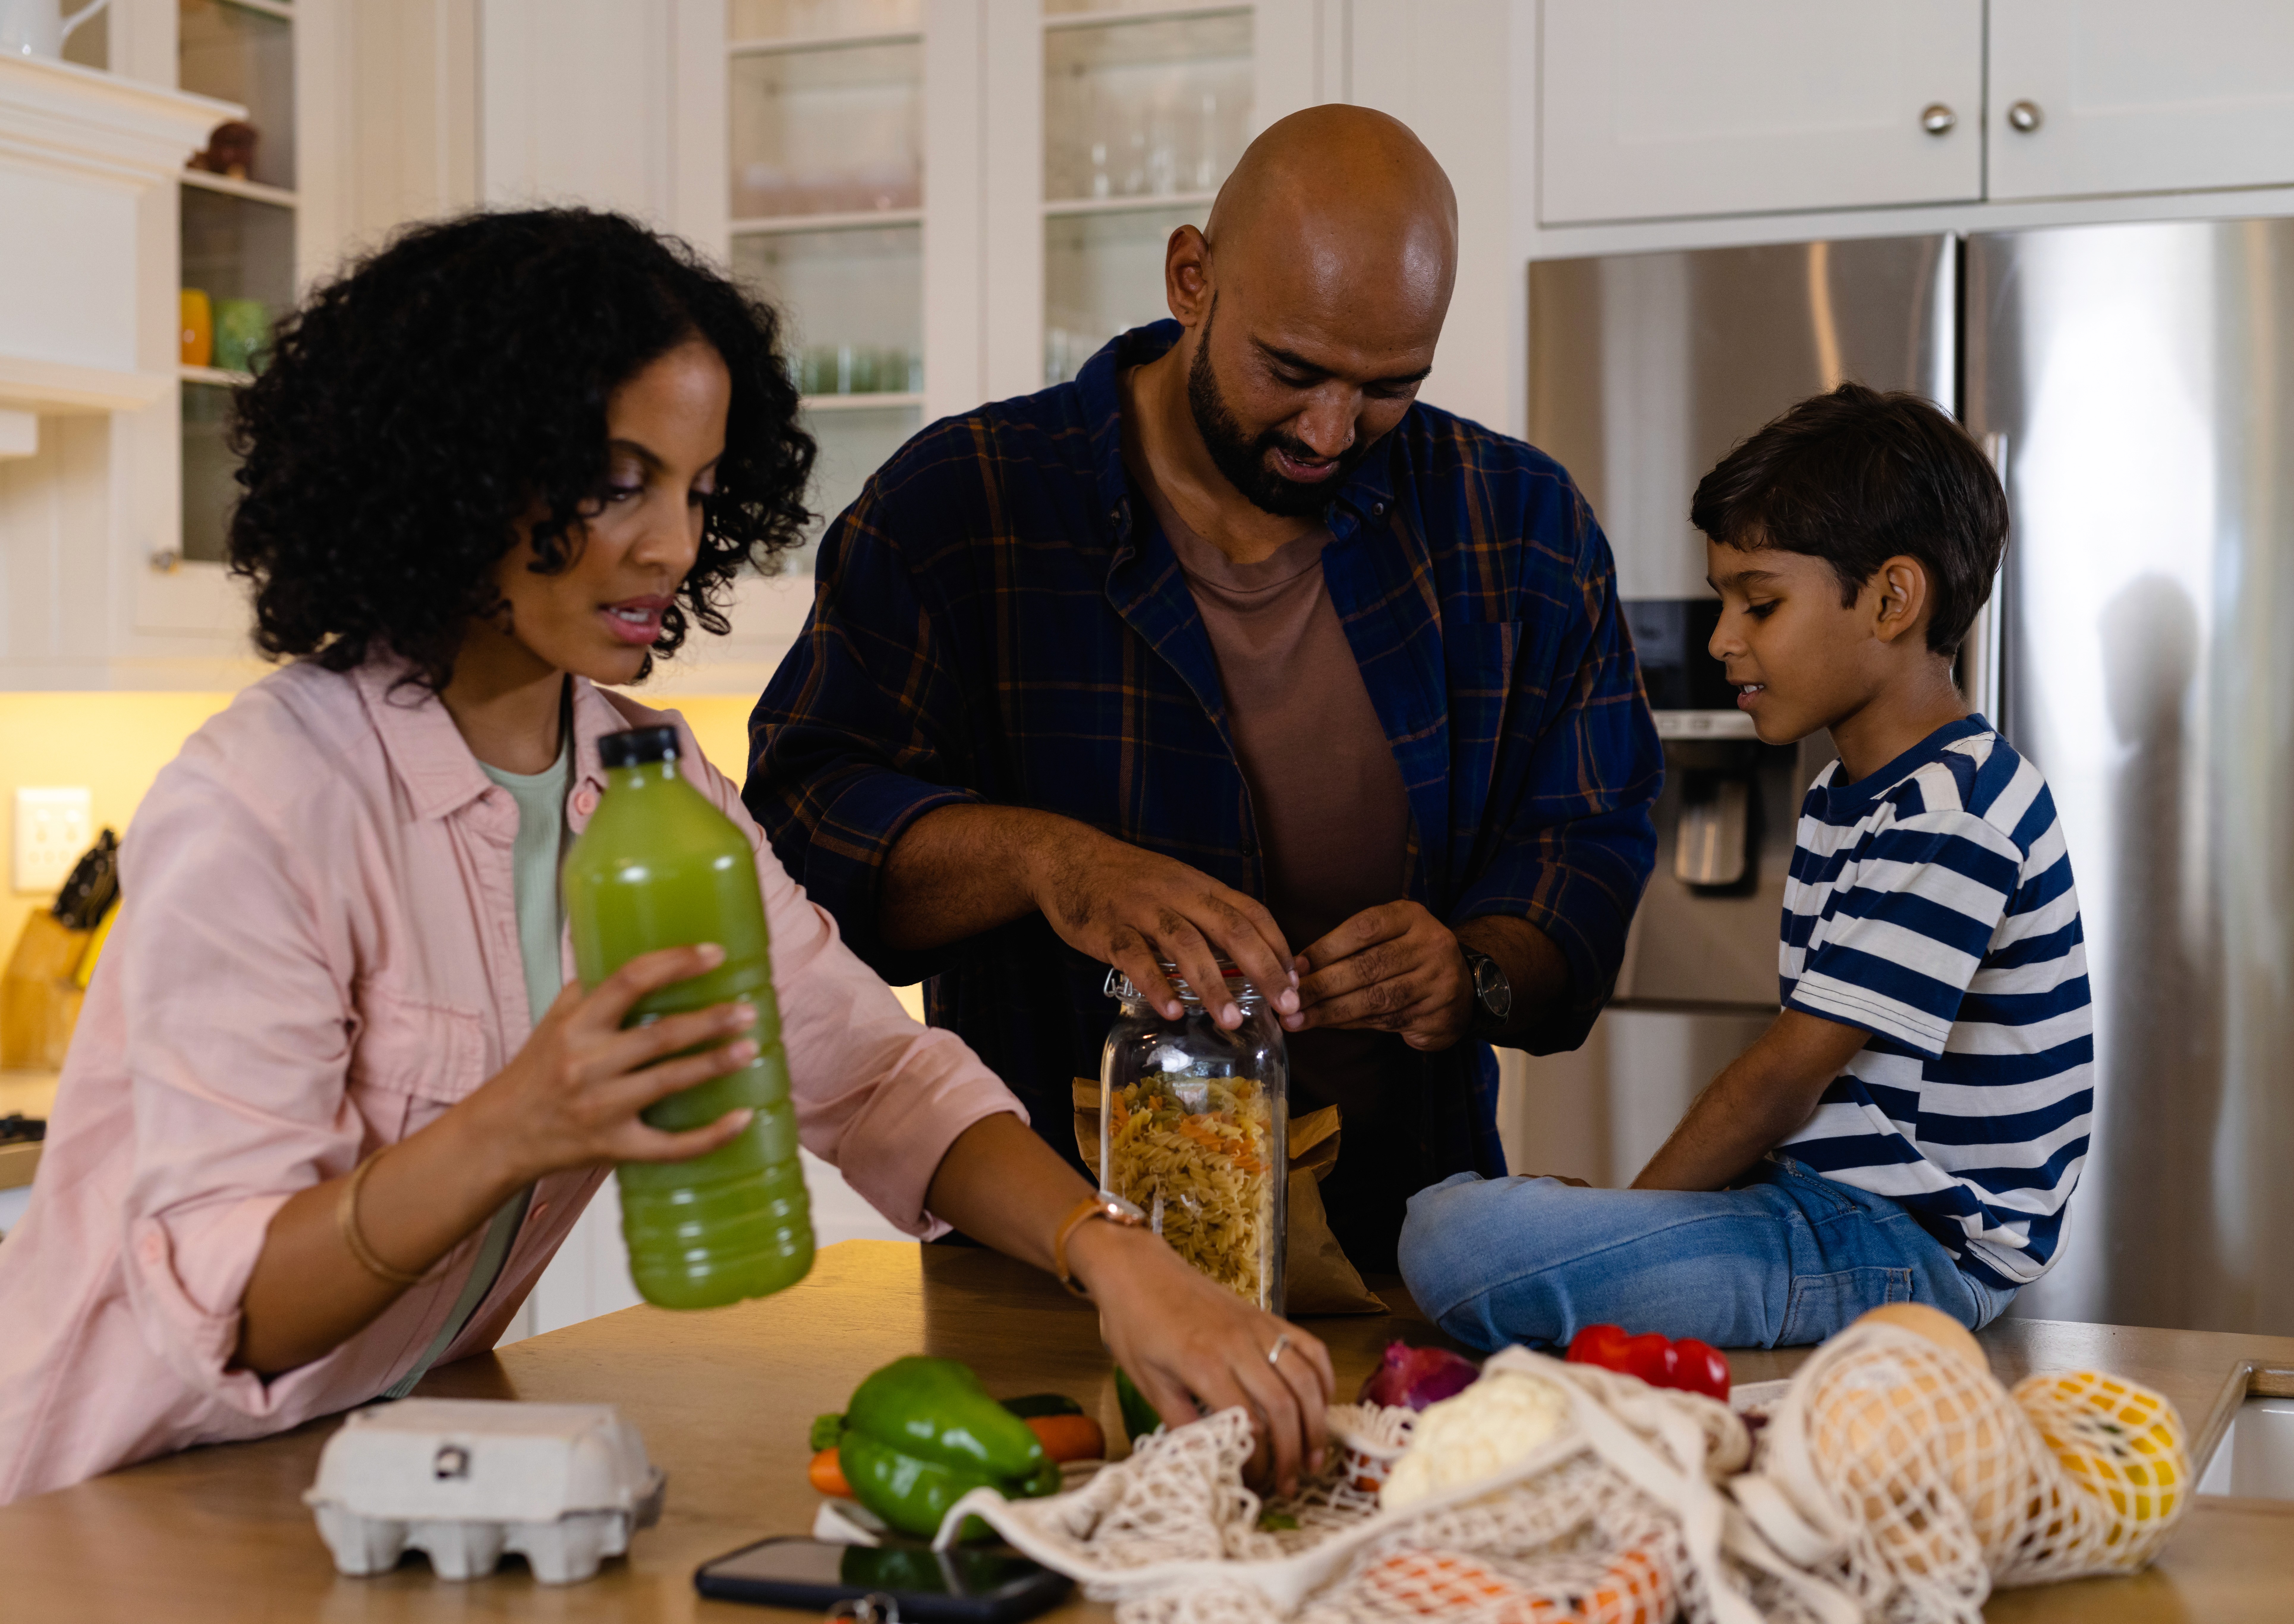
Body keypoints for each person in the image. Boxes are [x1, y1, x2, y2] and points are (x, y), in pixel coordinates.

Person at [0, 210, 1332, 1507]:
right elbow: (237, 1308)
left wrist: (1117, 1258)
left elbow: (873, 1079)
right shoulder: (266, 801)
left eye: (697, 491)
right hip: (98, 1496)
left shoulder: (643, 775)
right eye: (615, 483)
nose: (672, 543)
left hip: (359, 1473)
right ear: (458, 466)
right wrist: (516, 1125)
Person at [746, 108, 1660, 1269]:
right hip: (1058, 1262)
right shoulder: (964, 505)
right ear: (1191, 278)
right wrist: (1048, 861)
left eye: (1388, 387)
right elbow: (799, 837)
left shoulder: (1515, 524)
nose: (1331, 430)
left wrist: (1469, 971)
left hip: (1414, 1261)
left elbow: (1589, 842)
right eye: (1291, 371)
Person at [1398, 384, 2093, 1349]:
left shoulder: (1956, 810)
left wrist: (1635, 1221)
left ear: (1893, 599)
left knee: (1456, 1244)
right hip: (1825, 1210)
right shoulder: (1848, 795)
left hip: (1910, 1252)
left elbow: (1778, 1083)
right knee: (1449, 1220)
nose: (1723, 638)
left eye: (1758, 603)